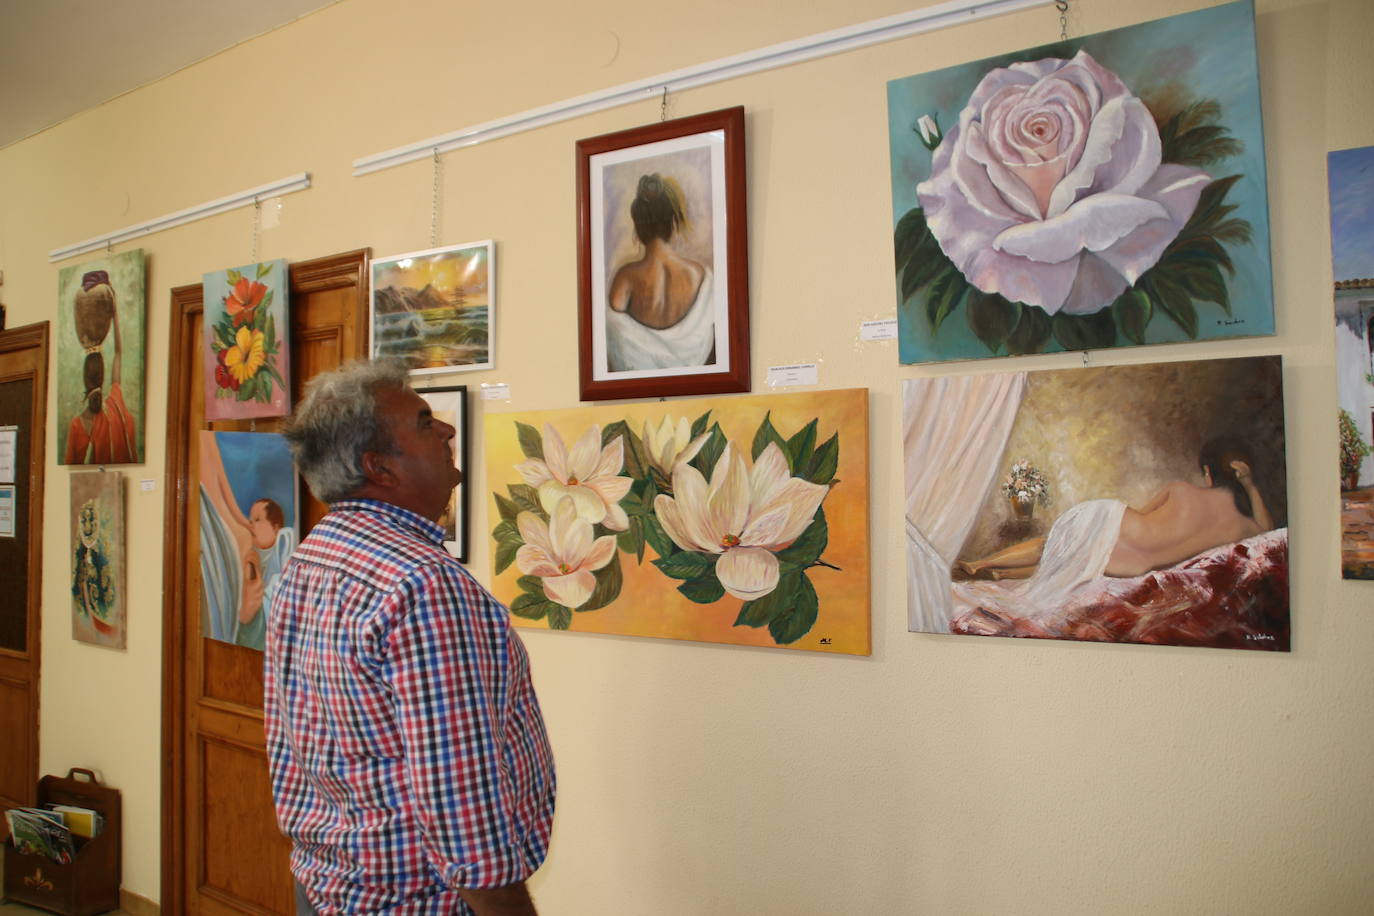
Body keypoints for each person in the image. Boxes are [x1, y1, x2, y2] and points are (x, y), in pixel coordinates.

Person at [265, 359, 555, 916]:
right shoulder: (423, 586)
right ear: (379, 468)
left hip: (327, 890)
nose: (447, 429)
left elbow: (293, 748)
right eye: (425, 422)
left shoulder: (310, 560)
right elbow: (460, 804)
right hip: (419, 904)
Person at [959, 437, 1275, 593]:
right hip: (1133, 565)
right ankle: (996, 572)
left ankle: (982, 565)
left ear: (1207, 472)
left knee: (1052, 549)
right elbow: (1269, 531)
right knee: (1068, 563)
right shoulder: (1241, 527)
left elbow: (1139, 513)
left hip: (1114, 524)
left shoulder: (1181, 490)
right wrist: (1250, 485)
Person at [605, 173, 715, 371]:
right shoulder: (701, 276)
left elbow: (615, 338)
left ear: (638, 228)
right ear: (674, 222)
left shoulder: (624, 279)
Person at [65, 270, 138, 464]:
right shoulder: (115, 403)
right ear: (104, 377)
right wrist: (114, 316)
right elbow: (118, 353)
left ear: (85, 382)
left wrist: (91, 347)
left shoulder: (77, 425)